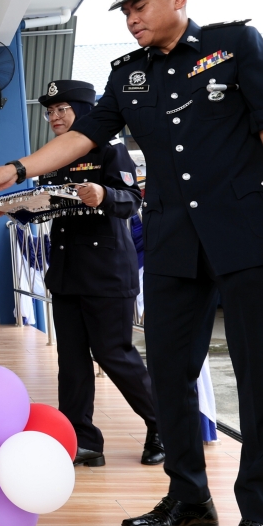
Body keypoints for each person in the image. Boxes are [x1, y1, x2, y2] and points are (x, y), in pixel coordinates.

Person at [0, 0, 263, 526]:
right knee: (171, 372)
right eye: (125, 12)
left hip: (247, 236)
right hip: (171, 242)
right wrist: (17, 169)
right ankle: (189, 499)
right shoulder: (127, 75)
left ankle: (262, 518)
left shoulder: (235, 46)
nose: (131, 20)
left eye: (140, 7)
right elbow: (86, 136)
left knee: (261, 377)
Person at [36, 79, 161, 469]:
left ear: (85, 111)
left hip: (107, 274)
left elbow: (132, 200)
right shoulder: (53, 157)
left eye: (63, 109)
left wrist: (105, 194)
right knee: (71, 361)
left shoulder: (110, 150)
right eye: (50, 111)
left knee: (115, 354)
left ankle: (165, 427)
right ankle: (82, 439)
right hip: (66, 273)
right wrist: (14, 209)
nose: (55, 117)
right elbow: (46, 206)